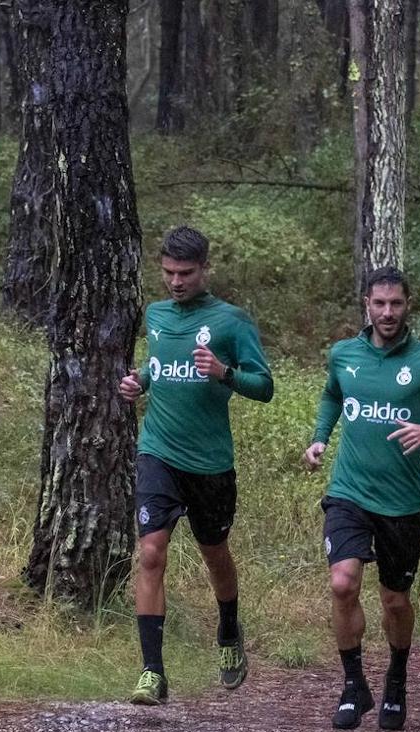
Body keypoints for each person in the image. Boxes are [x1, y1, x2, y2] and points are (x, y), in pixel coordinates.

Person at [304, 266, 420, 731]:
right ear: (366, 304)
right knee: (343, 584)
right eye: (379, 304)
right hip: (348, 493)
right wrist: (320, 437)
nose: (387, 312)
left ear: (408, 305)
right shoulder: (344, 354)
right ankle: (352, 685)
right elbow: (332, 397)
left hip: (401, 503)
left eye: (396, 304)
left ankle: (397, 680)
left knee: (395, 601)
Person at [118, 226, 274, 704]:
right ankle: (152, 673)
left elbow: (264, 386)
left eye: (185, 273)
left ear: (205, 268)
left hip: (209, 463)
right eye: (168, 272)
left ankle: (229, 630)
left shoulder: (231, 321)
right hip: (157, 450)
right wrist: (140, 381)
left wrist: (225, 373)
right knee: (150, 552)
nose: (176, 282)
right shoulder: (156, 314)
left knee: (215, 553)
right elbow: (161, 363)